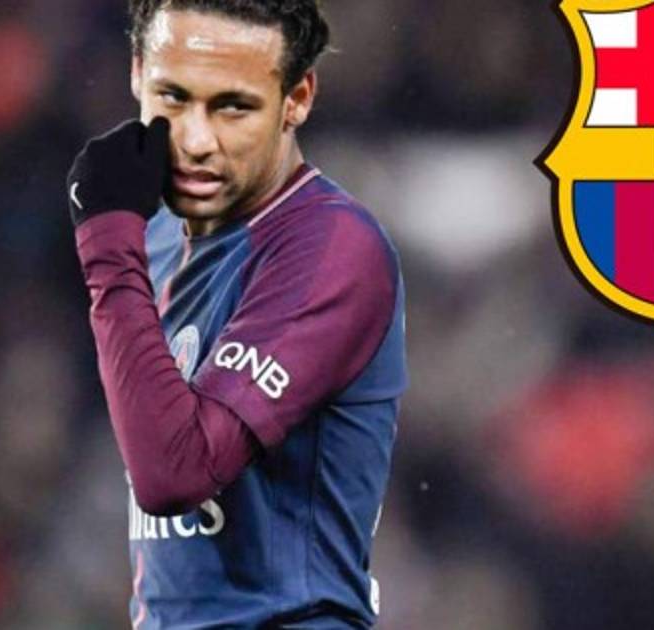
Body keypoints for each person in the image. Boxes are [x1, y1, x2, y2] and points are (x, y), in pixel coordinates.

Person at [65, 1, 407, 627]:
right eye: (173, 97)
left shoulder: (333, 249)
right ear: (137, 73)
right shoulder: (154, 235)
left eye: (233, 107)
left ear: (297, 98)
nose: (195, 141)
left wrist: (108, 251)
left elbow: (174, 474)